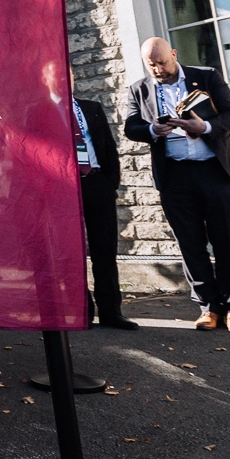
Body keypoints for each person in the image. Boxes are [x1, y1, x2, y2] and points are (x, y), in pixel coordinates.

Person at [123, 38, 230, 332]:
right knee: (190, 244)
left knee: (227, 241)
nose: (158, 69)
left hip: (215, 171)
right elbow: (131, 127)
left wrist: (204, 127)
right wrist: (152, 129)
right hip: (174, 176)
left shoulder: (207, 76)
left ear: (174, 53)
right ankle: (209, 308)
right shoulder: (139, 89)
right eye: (152, 65)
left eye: (162, 62)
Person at [74, 86, 136, 329]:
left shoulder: (91, 107)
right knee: (74, 252)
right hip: (67, 186)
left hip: (98, 183)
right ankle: (82, 311)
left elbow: (109, 145)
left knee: (105, 250)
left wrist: (111, 182)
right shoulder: (46, 111)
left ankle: (111, 312)